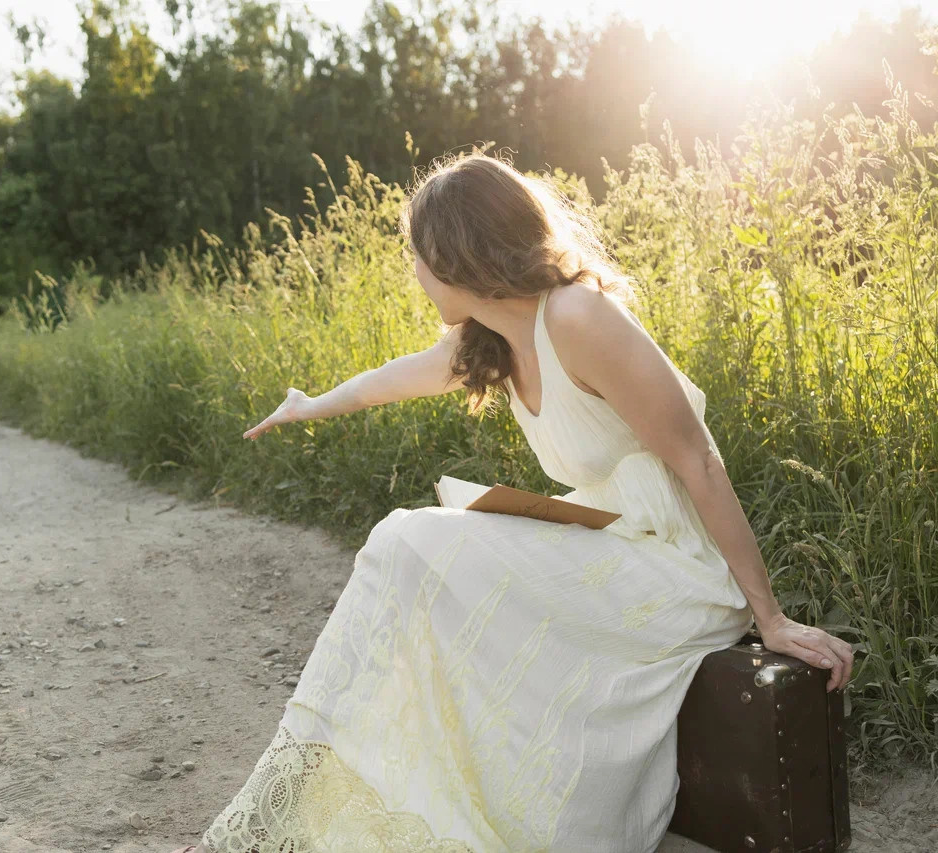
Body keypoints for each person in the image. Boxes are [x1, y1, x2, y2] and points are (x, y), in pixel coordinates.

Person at [169, 153, 853, 853]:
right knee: (412, 561)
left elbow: (698, 461)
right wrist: (310, 404)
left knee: (408, 542)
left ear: (455, 253)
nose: (415, 272)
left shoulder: (578, 318)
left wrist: (769, 617)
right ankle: (297, 812)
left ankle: (276, 823)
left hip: (680, 571)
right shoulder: (493, 340)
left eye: (419, 256)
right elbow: (393, 378)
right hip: (617, 548)